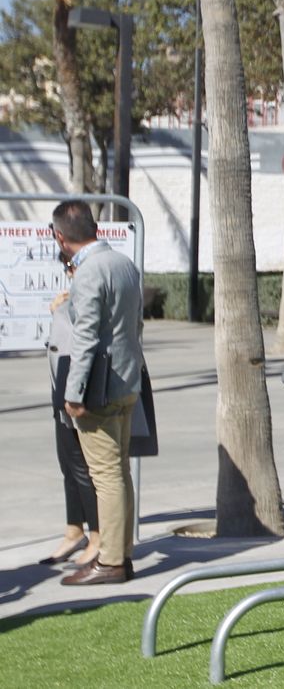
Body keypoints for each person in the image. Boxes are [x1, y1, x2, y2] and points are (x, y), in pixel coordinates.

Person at [56, 199, 143, 585]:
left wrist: (73, 393)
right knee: (119, 473)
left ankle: (110, 561)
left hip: (99, 388)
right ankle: (119, 554)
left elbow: (86, 337)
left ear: (60, 237)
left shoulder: (89, 271)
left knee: (106, 476)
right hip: (126, 381)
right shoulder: (123, 263)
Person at [41, 253, 98, 569]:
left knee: (82, 465)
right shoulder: (73, 295)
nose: (69, 272)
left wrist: (60, 310)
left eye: (71, 266)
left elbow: (85, 336)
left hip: (81, 385)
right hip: (61, 380)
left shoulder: (89, 291)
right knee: (68, 462)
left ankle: (98, 535)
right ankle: (74, 530)